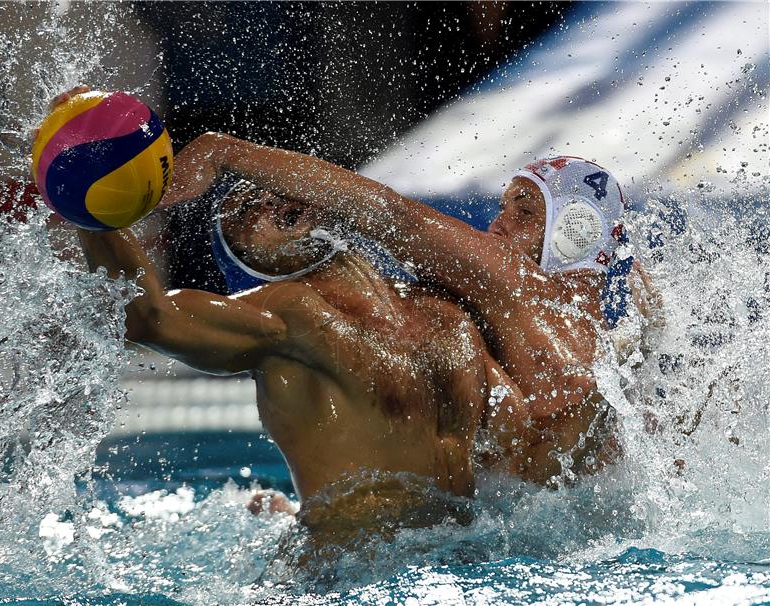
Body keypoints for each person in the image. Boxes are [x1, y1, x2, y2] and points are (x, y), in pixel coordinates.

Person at [161, 135, 655, 478]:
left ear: (578, 230)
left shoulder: (516, 281)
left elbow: (396, 218)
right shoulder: (617, 340)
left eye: (524, 211)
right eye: (502, 207)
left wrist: (226, 152)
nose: (496, 226)